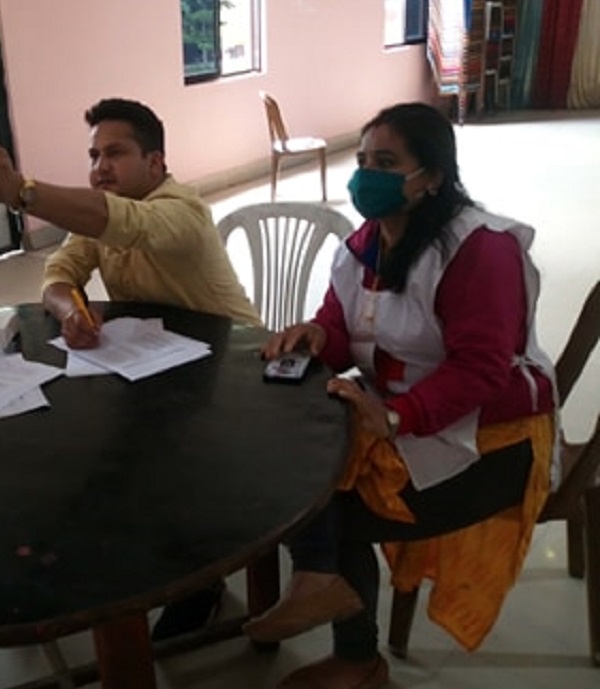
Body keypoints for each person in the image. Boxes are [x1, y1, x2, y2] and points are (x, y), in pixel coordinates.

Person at [245, 102, 556, 689]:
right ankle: (321, 588)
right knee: (295, 464)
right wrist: (318, 336)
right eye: (363, 161)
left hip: (492, 436)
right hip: (404, 413)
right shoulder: (365, 244)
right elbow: (346, 325)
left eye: (386, 163)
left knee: (331, 508)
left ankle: (356, 659)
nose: (367, 176)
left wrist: (395, 415)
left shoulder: (479, 250)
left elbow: (481, 369)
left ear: (431, 176)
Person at [0, 97, 260, 641]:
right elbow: (59, 271)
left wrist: (23, 191)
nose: (100, 167)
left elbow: (125, 224)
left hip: (231, 371)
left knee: (159, 458)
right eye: (94, 155)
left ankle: (200, 583)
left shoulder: (182, 211)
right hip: (158, 365)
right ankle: (129, 556)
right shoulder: (104, 210)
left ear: (156, 162)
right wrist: (70, 310)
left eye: (115, 153)